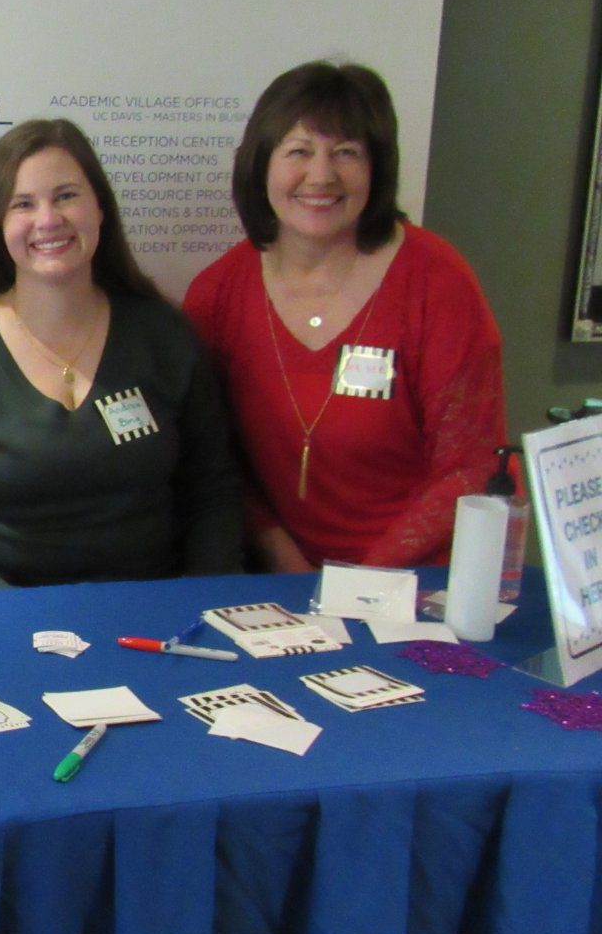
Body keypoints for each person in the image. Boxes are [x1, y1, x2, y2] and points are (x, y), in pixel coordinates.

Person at [0, 118, 242, 591]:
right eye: (23, 204)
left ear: (100, 207)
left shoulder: (165, 337)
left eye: (66, 196)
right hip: (2, 621)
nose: (48, 219)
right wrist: (7, 608)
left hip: (151, 621)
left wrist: (196, 601)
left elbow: (213, 493)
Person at [183, 61, 506, 570]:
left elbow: (469, 468)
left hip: (415, 581)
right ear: (261, 164)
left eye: (346, 153)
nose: (322, 175)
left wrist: (362, 581)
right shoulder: (218, 294)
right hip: (277, 580)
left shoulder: (437, 283)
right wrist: (282, 556)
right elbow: (213, 456)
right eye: (299, 152)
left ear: (377, 168)